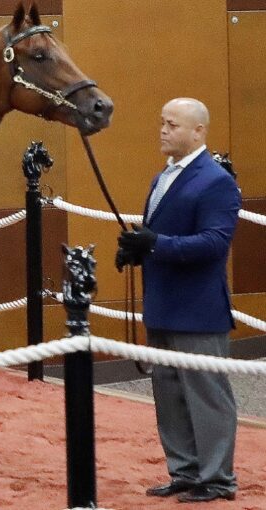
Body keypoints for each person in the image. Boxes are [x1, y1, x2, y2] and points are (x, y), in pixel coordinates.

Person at [116, 97, 241, 503]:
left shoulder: (216, 180)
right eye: (162, 122)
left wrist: (155, 243)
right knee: (168, 392)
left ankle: (218, 478)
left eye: (172, 124)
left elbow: (215, 242)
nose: (163, 130)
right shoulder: (162, 178)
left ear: (198, 131)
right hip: (163, 305)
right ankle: (185, 471)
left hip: (199, 309)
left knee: (207, 395)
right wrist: (138, 249)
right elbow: (162, 236)